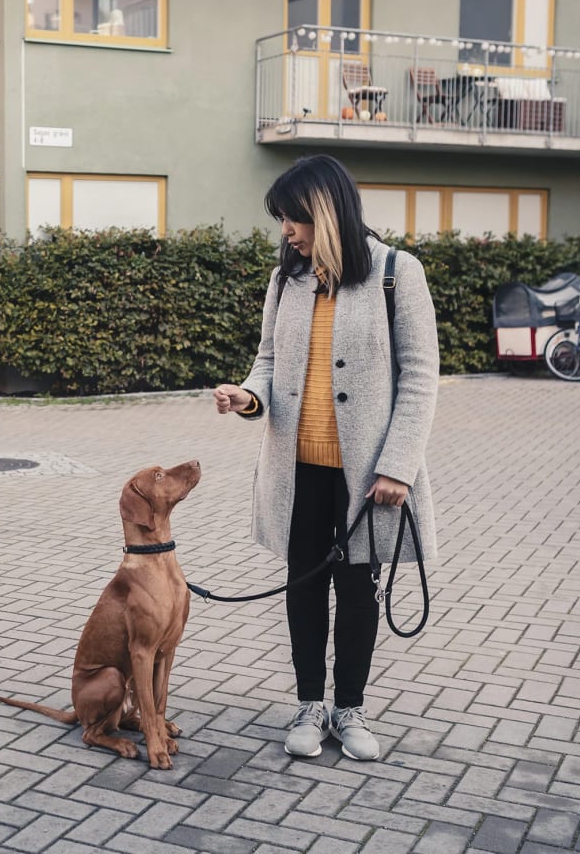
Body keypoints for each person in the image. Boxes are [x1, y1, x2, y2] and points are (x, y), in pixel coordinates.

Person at [213, 154, 439, 762]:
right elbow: (267, 359)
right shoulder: (287, 278)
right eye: (283, 221)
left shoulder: (398, 273)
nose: (287, 231)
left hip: (366, 474)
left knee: (359, 591)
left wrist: (398, 465)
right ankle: (310, 704)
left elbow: (420, 379)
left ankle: (351, 709)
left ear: (327, 211)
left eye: (295, 219)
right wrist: (248, 395)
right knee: (304, 586)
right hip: (297, 467)